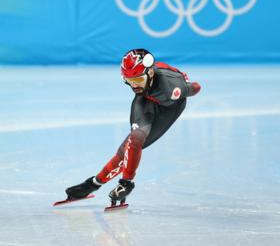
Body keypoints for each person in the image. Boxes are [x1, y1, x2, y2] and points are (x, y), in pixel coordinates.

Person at [64, 49, 201, 204]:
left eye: (138, 79)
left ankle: (125, 184)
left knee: (132, 146)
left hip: (169, 107)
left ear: (149, 73)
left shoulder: (171, 87)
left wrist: (184, 86)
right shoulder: (141, 86)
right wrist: (139, 82)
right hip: (147, 99)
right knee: (131, 143)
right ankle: (93, 184)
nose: (134, 85)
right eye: (129, 80)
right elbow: (139, 86)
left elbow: (196, 87)